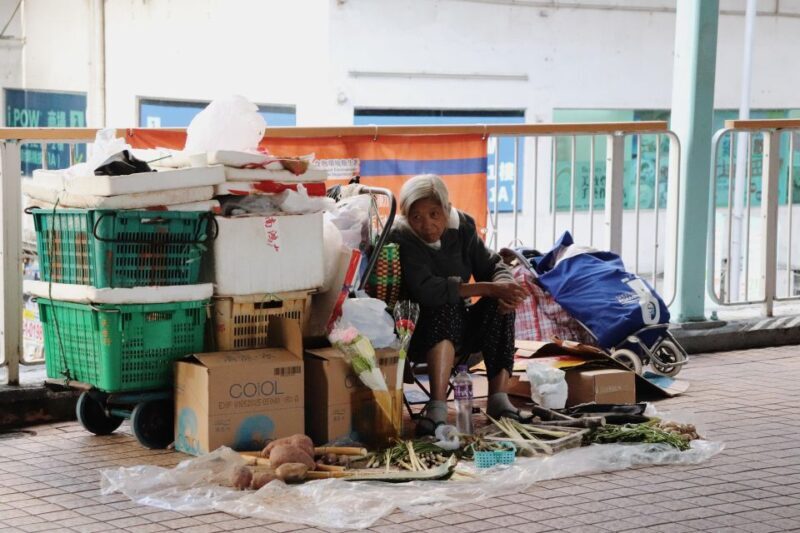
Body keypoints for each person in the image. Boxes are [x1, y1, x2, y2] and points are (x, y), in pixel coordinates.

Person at [390, 174, 530, 435]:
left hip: (462, 331)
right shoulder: (401, 235)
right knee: (446, 305)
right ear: (406, 216)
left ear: (446, 208)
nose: (427, 225)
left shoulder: (463, 226)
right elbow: (427, 290)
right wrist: (487, 287)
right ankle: (437, 408)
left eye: (434, 214)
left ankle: (499, 400)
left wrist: (503, 289)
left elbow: (492, 265)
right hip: (416, 331)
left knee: (497, 305)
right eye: (416, 216)